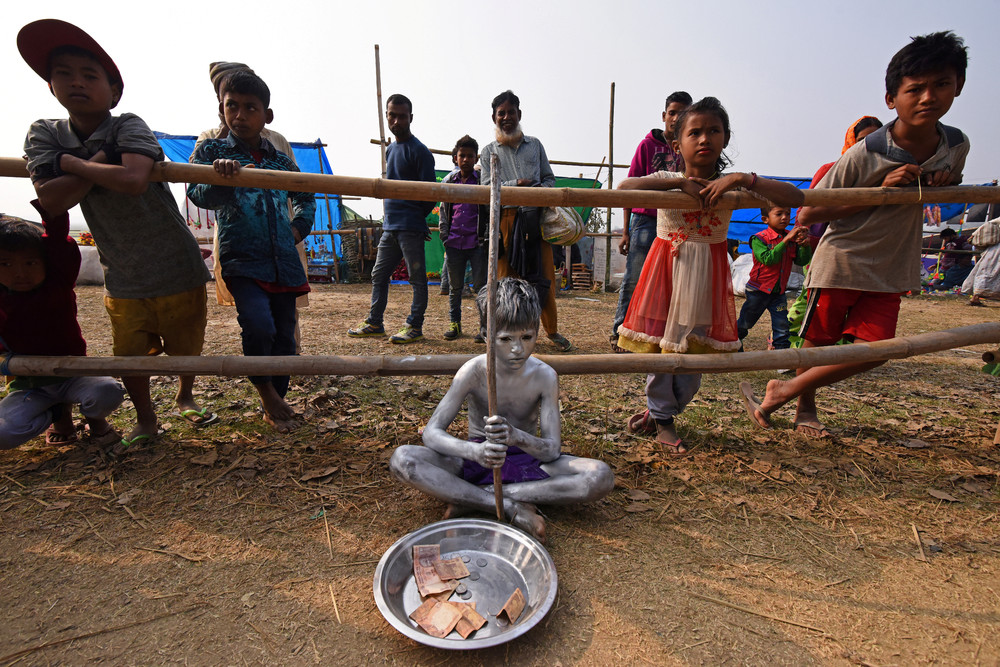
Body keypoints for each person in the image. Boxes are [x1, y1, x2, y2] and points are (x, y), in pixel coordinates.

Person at [740, 31, 970, 438]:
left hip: (892, 264)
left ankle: (786, 389)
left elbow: (953, 181)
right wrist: (880, 194)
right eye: (915, 89)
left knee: (878, 350)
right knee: (818, 343)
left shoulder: (955, 144)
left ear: (959, 87)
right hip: (843, 258)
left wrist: (948, 179)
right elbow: (810, 212)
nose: (928, 97)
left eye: (941, 85)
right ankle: (803, 410)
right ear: (891, 99)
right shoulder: (864, 154)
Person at [18, 20, 214, 448]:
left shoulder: (127, 123)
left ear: (114, 91)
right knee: (129, 356)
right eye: (65, 74)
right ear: (51, 85)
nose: (77, 83)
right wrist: (101, 160)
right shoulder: (46, 132)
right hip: (122, 272)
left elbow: (132, 180)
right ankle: (146, 420)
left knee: (186, 349)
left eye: (91, 76)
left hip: (177, 264)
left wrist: (73, 164)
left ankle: (185, 393)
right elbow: (51, 201)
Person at [616, 97, 804, 453]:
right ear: (677, 144)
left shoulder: (735, 189)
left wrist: (742, 177)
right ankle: (663, 419)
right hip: (667, 273)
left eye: (713, 131)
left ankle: (661, 412)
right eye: (695, 132)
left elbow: (794, 197)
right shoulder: (667, 179)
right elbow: (624, 189)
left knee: (695, 358)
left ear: (726, 138)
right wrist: (676, 187)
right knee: (662, 350)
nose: (704, 139)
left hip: (708, 279)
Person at [389, 278, 614, 542]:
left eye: (527, 337)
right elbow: (431, 433)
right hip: (477, 461)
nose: (518, 349)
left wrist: (518, 437)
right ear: (486, 334)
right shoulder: (473, 372)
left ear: (537, 332)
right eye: (506, 339)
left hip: (531, 465)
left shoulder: (545, 376)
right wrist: (474, 451)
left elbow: (552, 449)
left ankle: (474, 498)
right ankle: (508, 507)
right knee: (402, 459)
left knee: (600, 476)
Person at [188, 71, 315, 433]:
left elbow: (306, 195)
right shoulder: (212, 151)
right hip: (242, 257)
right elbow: (197, 194)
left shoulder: (279, 158)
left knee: (285, 336)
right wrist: (222, 179)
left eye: (250, 108)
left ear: (266, 116)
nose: (240, 115)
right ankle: (267, 396)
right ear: (221, 109)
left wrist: (296, 230)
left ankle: (277, 399)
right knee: (258, 326)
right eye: (232, 106)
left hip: (284, 262)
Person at [0, 207, 124, 449]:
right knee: (3, 433)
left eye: (30, 262)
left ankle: (95, 419)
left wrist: (53, 212)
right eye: (5, 264)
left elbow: (59, 245)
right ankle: (58, 415)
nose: (20, 273)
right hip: (31, 384)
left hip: (74, 374)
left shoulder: (57, 284)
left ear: (45, 263)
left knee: (107, 391)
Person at [480, 90, 573, 353]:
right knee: (505, 280)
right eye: (501, 114)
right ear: (494, 118)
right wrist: (516, 185)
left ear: (519, 114)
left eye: (511, 112)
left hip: (536, 220)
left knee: (543, 277)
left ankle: (552, 331)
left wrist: (538, 191)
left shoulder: (535, 145)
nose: (506, 118)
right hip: (506, 221)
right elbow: (486, 186)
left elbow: (549, 179)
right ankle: (502, 332)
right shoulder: (488, 152)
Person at [786, 117, 883, 348]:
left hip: (869, 253)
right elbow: (806, 211)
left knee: (851, 307)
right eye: (861, 141)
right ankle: (790, 347)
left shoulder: (889, 176)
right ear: (851, 142)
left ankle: (833, 357)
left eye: (876, 141)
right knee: (810, 302)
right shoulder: (832, 171)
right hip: (827, 249)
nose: (868, 147)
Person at [348, 94, 436, 344]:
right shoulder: (391, 150)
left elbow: (431, 194)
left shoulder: (420, 152)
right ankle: (375, 322)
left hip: (410, 228)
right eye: (392, 115)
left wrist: (417, 219)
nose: (396, 120)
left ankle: (414, 326)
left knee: (417, 279)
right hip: (390, 227)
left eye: (402, 116)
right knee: (378, 274)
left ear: (411, 118)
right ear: (387, 116)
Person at [612, 91, 692, 351]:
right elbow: (629, 188)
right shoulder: (647, 146)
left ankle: (664, 334)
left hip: (679, 224)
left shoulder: (690, 147)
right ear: (664, 116)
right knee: (634, 278)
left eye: (683, 113)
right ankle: (620, 332)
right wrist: (626, 231)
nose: (677, 118)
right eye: (673, 112)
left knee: (673, 282)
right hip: (646, 221)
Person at [736, 205, 812, 350]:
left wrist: (805, 246)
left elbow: (801, 261)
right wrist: (786, 240)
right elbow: (768, 259)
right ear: (765, 219)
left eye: (788, 213)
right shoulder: (758, 239)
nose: (784, 217)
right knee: (746, 322)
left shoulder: (791, 238)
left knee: (782, 325)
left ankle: (782, 355)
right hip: (758, 291)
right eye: (779, 214)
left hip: (778, 292)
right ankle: (733, 343)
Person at [438, 135, 488, 341]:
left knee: (481, 288)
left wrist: (485, 237)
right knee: (455, 287)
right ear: (455, 158)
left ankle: (484, 328)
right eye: (462, 156)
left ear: (476, 158)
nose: (466, 159)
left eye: (470, 156)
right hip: (454, 242)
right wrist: (444, 235)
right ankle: (455, 324)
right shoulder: (449, 181)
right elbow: (443, 210)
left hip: (476, 243)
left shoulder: (483, 181)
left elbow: (488, 211)